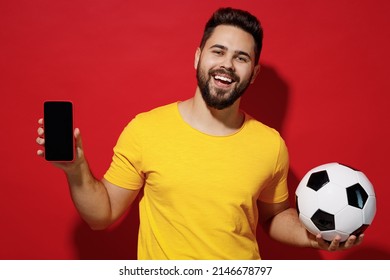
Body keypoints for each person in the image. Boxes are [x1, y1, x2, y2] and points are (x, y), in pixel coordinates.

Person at [36, 7, 363, 259]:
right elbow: (102, 215)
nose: (227, 65)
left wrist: (312, 234)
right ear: (198, 57)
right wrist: (76, 170)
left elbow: (273, 218)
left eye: (241, 57)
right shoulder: (147, 129)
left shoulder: (270, 145)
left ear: (254, 73)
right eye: (218, 51)